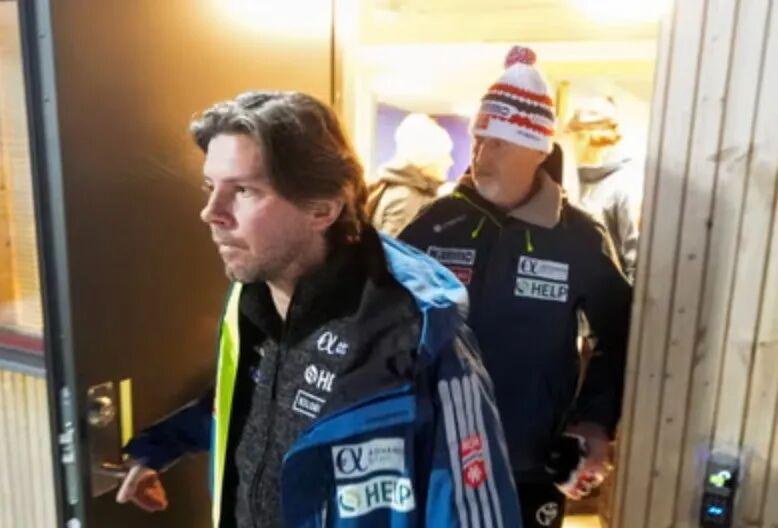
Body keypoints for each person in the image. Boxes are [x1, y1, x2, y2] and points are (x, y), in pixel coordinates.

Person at [115, 91, 523, 528]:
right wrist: (158, 447)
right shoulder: (249, 297)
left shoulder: (416, 329)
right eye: (210, 187)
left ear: (322, 209)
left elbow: (478, 510)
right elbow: (253, 403)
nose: (210, 213)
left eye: (244, 191)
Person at [400, 46, 632, 528]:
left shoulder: (577, 237)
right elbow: (383, 319)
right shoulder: (436, 224)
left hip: (526, 463)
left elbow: (621, 333)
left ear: (537, 150)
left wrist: (594, 421)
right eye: (478, 138)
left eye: (499, 143)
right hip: (436, 453)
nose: (480, 154)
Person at [567, 97, 640, 282]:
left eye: (577, 134)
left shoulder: (625, 185)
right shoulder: (572, 181)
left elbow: (636, 263)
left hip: (608, 293)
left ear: (590, 136)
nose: (572, 141)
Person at [367, 112, 454, 236]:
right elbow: (394, 246)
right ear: (426, 160)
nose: (450, 162)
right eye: (445, 156)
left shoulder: (395, 188)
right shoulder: (408, 199)